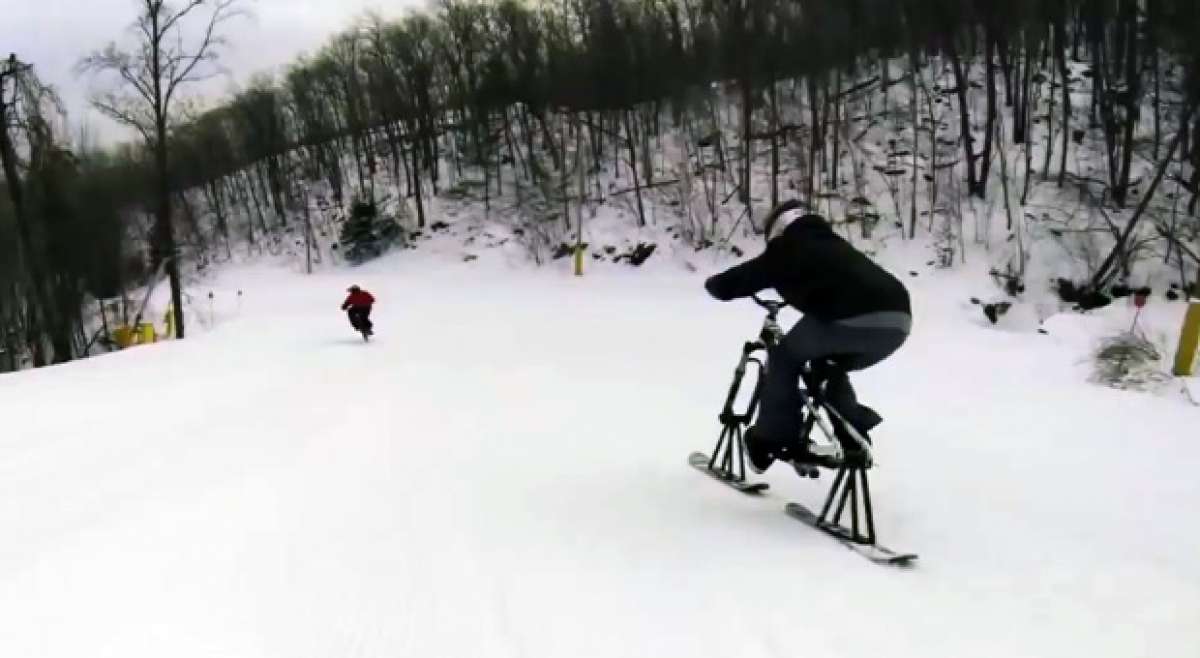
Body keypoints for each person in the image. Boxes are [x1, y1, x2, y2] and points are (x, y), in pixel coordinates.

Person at [704, 201, 911, 472]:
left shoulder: (790, 245)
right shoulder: (830, 244)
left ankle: (772, 440)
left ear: (778, 229)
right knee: (827, 364)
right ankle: (851, 434)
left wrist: (714, 285)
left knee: (785, 355)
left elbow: (748, 276)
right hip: (898, 321)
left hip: (852, 315)